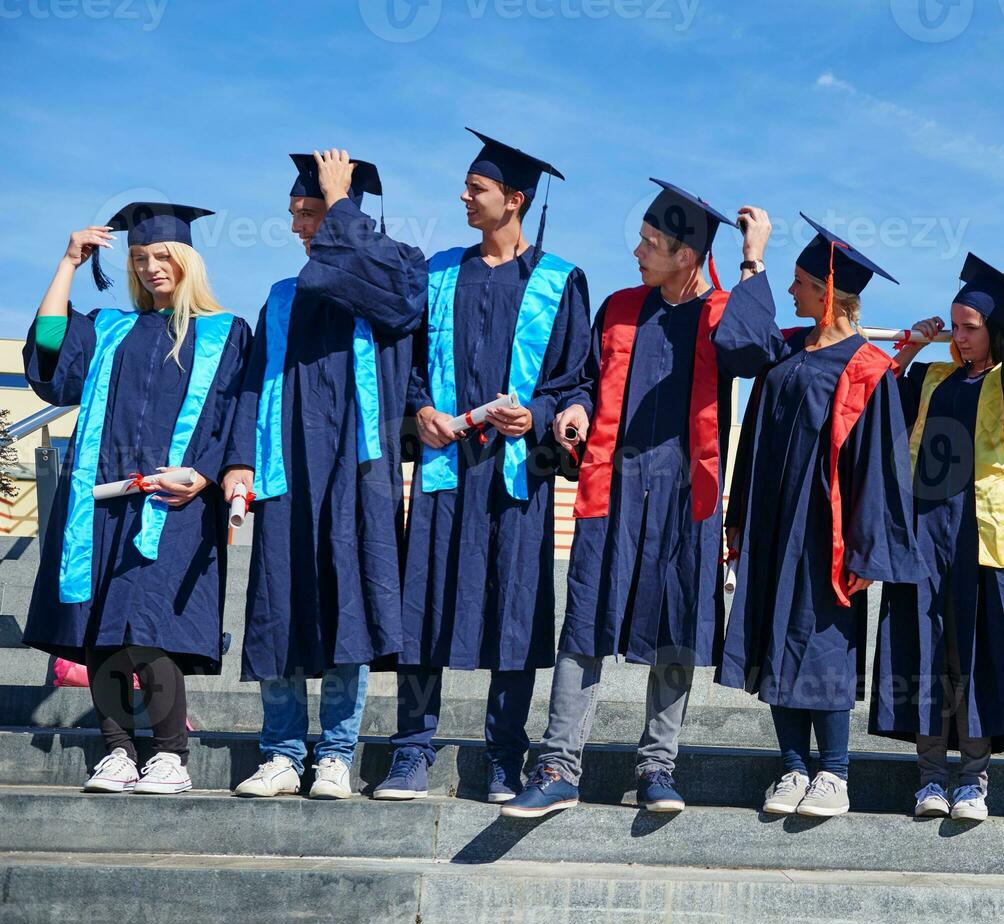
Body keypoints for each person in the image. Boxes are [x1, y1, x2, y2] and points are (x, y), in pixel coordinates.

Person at [499, 184, 778, 817]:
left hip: (687, 497)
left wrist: (753, 260)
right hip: (614, 491)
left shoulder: (720, 315)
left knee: (677, 628)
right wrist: (574, 409)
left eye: (651, 244)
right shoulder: (620, 308)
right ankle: (558, 764)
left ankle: (658, 766)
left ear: (686, 256)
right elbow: (584, 382)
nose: (636, 251)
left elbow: (754, 350)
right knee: (584, 624)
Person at [375, 130, 591, 802]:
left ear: (515, 201)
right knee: (422, 608)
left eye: (477, 189)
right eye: (467, 187)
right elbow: (405, 366)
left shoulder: (560, 281)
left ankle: (504, 757)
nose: (463, 197)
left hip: (513, 477)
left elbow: (577, 376)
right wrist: (419, 412)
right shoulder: (438, 272)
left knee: (516, 611)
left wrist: (541, 410)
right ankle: (411, 750)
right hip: (444, 471)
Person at [23, 202, 251, 794]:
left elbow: (237, 414)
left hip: (176, 504)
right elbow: (50, 357)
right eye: (140, 258)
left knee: (151, 631)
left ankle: (170, 756)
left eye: (162, 256)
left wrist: (203, 474)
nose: (152, 267)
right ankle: (119, 752)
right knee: (100, 632)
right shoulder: (109, 328)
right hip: (100, 502)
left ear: (187, 261)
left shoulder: (226, 331)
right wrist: (70, 262)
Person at [222, 150, 426, 801]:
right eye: (295, 213)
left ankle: (336, 754)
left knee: (350, 612)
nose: (297, 226)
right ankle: (281, 753)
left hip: (359, 479)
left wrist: (338, 201)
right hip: (287, 477)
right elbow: (252, 390)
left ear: (346, 215)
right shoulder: (281, 300)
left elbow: (396, 295)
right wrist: (239, 464)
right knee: (279, 610)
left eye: (309, 212)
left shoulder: (394, 284)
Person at [717, 214, 924, 819]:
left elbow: (883, 465)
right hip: (773, 520)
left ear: (828, 292)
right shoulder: (781, 347)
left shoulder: (868, 368)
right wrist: (751, 259)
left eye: (801, 282)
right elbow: (737, 351)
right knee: (775, 635)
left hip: (831, 531)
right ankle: (790, 767)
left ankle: (833, 772)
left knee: (826, 643)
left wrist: (867, 546)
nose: (790, 292)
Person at [871, 255, 1004, 821]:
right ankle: (931, 776)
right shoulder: (932, 378)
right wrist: (914, 346)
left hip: (988, 533)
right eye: (956, 326)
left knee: (977, 652)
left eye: (972, 328)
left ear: (996, 329)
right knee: (927, 649)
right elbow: (877, 410)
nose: (960, 339)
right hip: (927, 535)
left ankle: (973, 778)